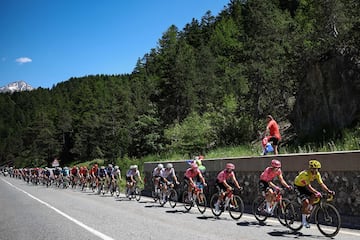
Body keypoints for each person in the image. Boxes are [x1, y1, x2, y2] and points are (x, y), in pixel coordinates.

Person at [294, 159, 335, 228]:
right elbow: (309, 187)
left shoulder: (317, 174)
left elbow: (321, 184)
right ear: (310, 169)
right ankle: (304, 221)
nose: (316, 171)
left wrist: (328, 191)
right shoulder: (305, 174)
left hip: (305, 186)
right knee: (306, 202)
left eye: (317, 169)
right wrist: (317, 192)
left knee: (313, 196)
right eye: (314, 169)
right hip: (298, 186)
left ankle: (308, 209)